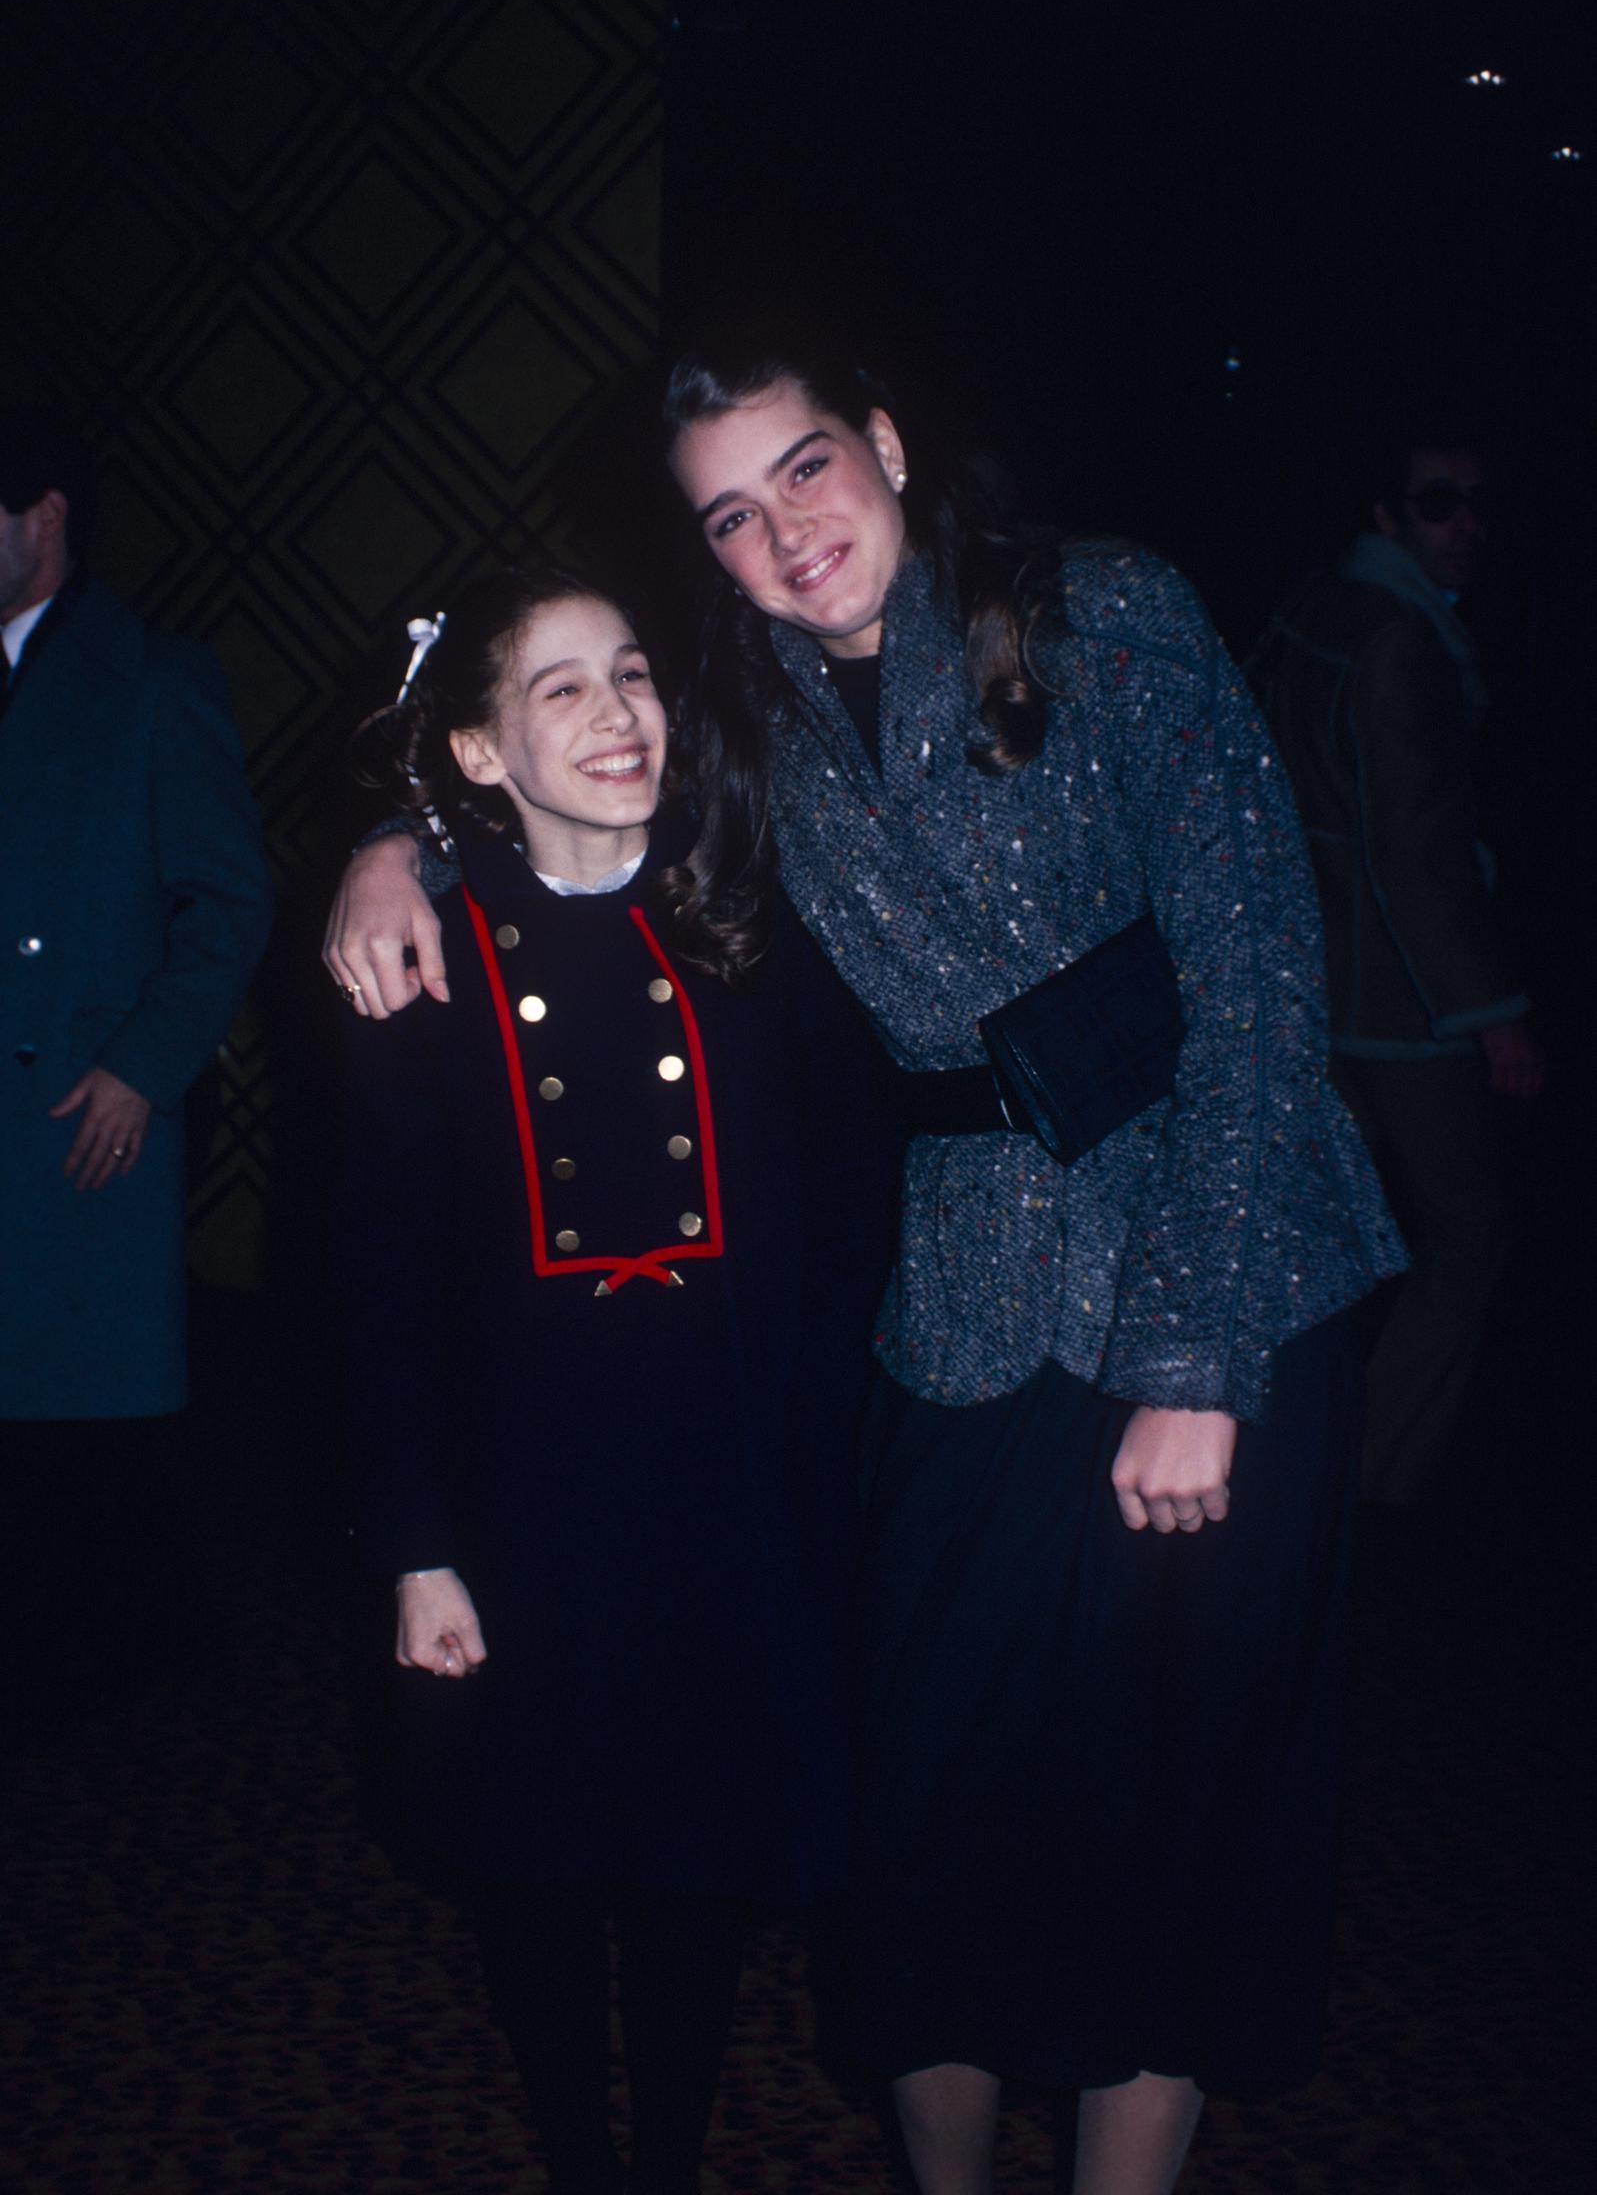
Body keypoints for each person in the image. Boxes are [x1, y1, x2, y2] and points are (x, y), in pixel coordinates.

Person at [325, 333, 1402, 2195]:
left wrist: (1195, 1363)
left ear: (887, 446)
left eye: (806, 470)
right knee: (924, 1818)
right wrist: (390, 850)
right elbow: (557, 795)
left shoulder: (1103, 610)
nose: (782, 533)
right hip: (966, 1303)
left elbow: (1259, 985)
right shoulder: (741, 707)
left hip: (1227, 1271)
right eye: (728, 517)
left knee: (1169, 1809)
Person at [335, 564, 890, 2195]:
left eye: (630, 673)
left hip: (720, 1485)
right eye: (560, 688)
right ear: (483, 751)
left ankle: (664, 2163)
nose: (615, 713)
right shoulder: (420, 962)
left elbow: (850, 1211)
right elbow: (376, 1286)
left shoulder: (759, 922)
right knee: (541, 1856)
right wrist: (413, 1546)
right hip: (524, 1501)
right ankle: (584, 2157)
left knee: (694, 1856)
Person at [0, 408, 272, 1744]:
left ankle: (140, 1700)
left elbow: (227, 906)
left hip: (77, 1106)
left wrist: (142, 1071)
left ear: (41, 517)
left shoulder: (157, 679)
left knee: (82, 1430)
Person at [1250, 430, 1543, 1505]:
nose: (1463, 525)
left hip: (1300, 979)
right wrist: (1491, 1014)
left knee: (1330, 1242)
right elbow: (1418, 853)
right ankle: (1360, 1477)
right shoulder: (1397, 640)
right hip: (1391, 1001)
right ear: (1384, 517)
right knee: (1463, 1241)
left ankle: (1295, 1460)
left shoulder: (1313, 612)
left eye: (1475, 503)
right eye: (1435, 504)